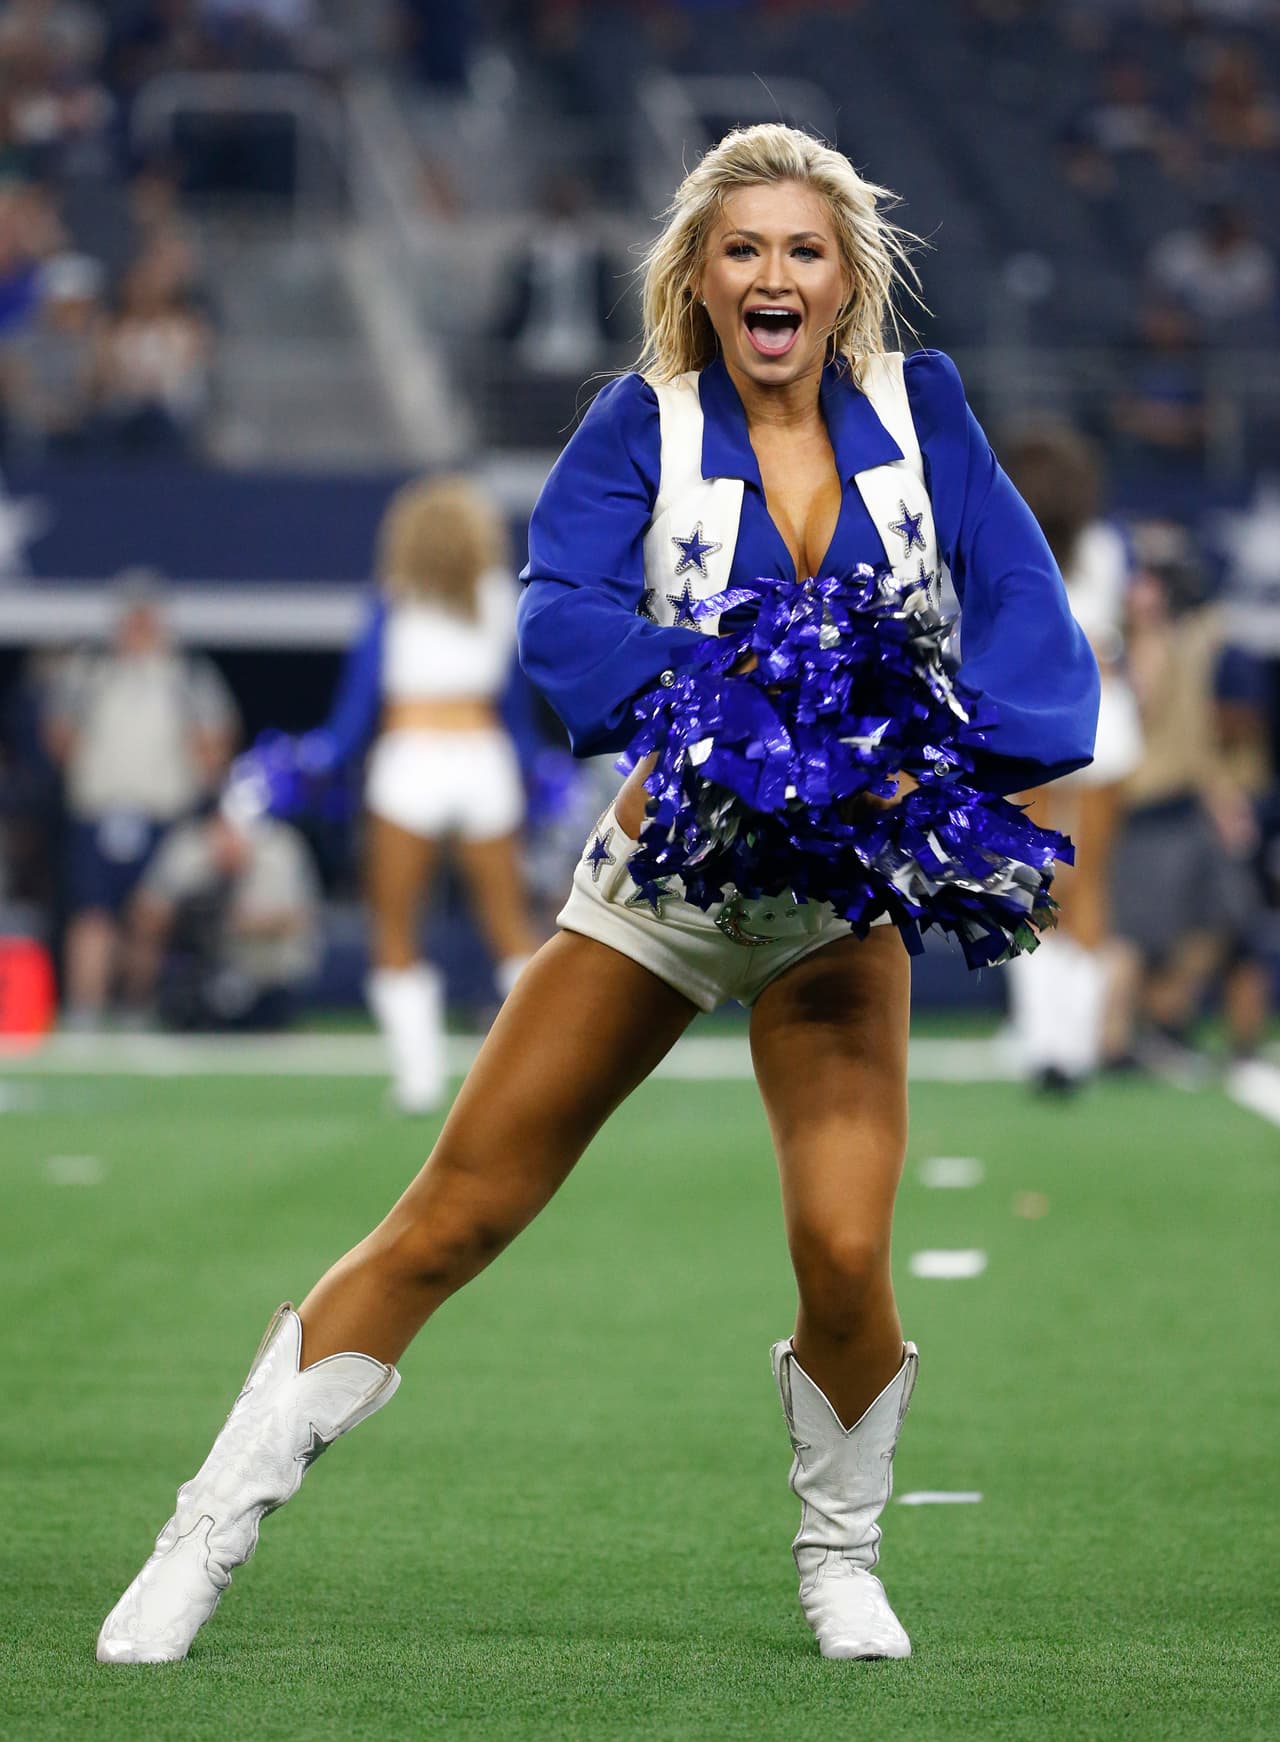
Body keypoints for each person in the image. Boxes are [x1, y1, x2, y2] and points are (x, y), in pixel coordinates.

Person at [96, 123, 1097, 1668]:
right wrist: (730, 701)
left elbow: (1025, 604)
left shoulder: (926, 409)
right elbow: (562, 609)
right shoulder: (646, 420)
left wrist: (947, 760)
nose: (774, 274)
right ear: (699, 277)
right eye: (743, 248)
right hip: (668, 881)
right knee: (453, 1214)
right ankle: (205, 1525)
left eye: (803, 250)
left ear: (846, 280)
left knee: (843, 1248)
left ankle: (842, 1556)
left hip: (838, 905)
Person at [310, 473, 538, 1111]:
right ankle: (538, 1071)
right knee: (510, 926)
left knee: (395, 925)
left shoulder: (394, 599)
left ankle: (419, 1079)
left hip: (410, 761)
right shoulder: (501, 598)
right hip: (483, 760)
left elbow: (357, 707)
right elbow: (516, 709)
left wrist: (316, 760)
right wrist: (540, 773)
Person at [1002, 423, 1142, 1091]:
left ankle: (1046, 1044)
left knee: (1031, 879)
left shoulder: (997, 546)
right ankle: (1074, 1047)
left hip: (1029, 722)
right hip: (1103, 725)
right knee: (1087, 883)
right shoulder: (1106, 548)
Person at [45, 572, 238, 1027]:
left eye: (146, 616)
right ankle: (86, 1011)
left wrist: (201, 791)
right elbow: (58, 734)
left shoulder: (186, 674)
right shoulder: (91, 671)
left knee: (149, 916)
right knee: (91, 917)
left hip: (162, 814)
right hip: (98, 813)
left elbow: (216, 738)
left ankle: (137, 1007)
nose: (138, 626)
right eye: (131, 617)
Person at [126, 802, 321, 1031]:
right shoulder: (189, 848)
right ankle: (136, 1011)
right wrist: (185, 916)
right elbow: (144, 913)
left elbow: (298, 919)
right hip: (198, 971)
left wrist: (233, 922)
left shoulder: (279, 850)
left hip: (265, 975)